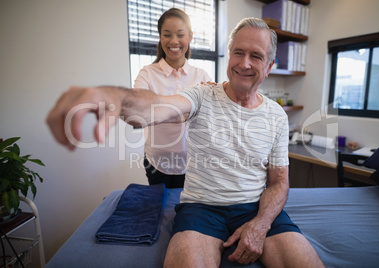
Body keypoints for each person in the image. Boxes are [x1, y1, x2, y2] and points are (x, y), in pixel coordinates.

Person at [47, 17, 324, 267]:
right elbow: (157, 107)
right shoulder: (202, 95)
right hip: (201, 209)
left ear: (270, 66)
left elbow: (278, 182)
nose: (244, 63)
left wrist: (261, 224)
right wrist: (117, 99)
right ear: (229, 56)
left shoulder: (276, 115)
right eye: (238, 52)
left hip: (255, 208)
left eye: (256, 56)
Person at [134, 8, 211, 188]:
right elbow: (138, 112)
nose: (174, 41)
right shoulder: (147, 74)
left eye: (180, 34)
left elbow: (210, 114)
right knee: (160, 211)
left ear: (190, 37)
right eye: (167, 35)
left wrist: (159, 109)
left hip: (193, 165)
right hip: (156, 163)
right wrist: (185, 113)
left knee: (186, 213)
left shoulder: (202, 76)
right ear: (160, 37)